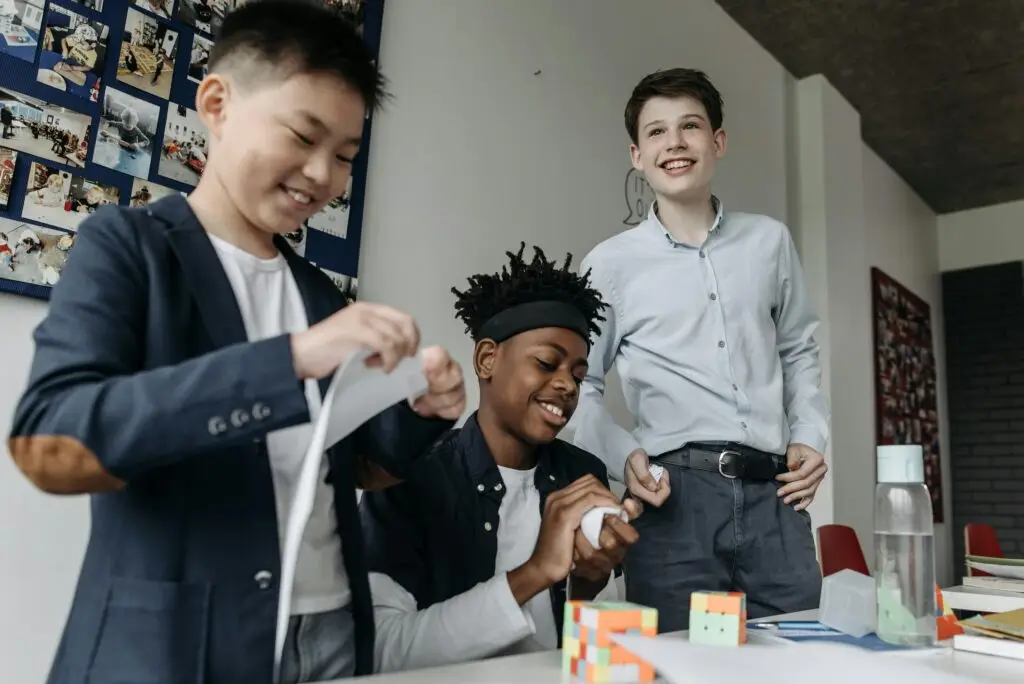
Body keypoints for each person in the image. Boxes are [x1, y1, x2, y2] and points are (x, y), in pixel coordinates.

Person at [6, 3, 466, 683]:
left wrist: (420, 413)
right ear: (217, 104)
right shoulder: (128, 247)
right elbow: (49, 443)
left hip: (334, 632)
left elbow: (355, 469)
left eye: (345, 157)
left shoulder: (318, 293)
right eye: (303, 136)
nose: (324, 175)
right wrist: (289, 362)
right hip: (180, 645)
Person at [573, 68, 830, 631]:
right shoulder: (609, 265)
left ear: (718, 141)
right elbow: (579, 384)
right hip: (673, 500)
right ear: (637, 155)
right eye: (657, 132)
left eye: (690, 126)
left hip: (775, 496)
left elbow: (798, 349)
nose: (675, 143)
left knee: (802, 657)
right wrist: (621, 453)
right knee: (677, 662)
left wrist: (810, 433)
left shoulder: (770, 241)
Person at [360, 244, 641, 673]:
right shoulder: (408, 477)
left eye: (579, 375)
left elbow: (599, 649)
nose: (568, 386)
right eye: (547, 363)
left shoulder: (583, 475)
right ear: (487, 359)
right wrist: (538, 570)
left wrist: (587, 586)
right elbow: (382, 652)